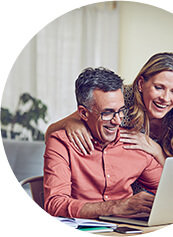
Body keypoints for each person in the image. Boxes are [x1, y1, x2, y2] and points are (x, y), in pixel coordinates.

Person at [45, 52, 173, 168]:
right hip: (122, 193)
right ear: (140, 84)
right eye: (159, 87)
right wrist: (73, 123)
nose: (166, 98)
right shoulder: (120, 98)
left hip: (162, 192)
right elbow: (50, 134)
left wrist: (156, 150)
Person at [44, 67, 163, 219]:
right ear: (83, 113)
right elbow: (55, 205)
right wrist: (117, 206)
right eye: (107, 113)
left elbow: (170, 190)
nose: (117, 121)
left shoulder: (134, 144)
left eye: (121, 111)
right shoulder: (61, 143)